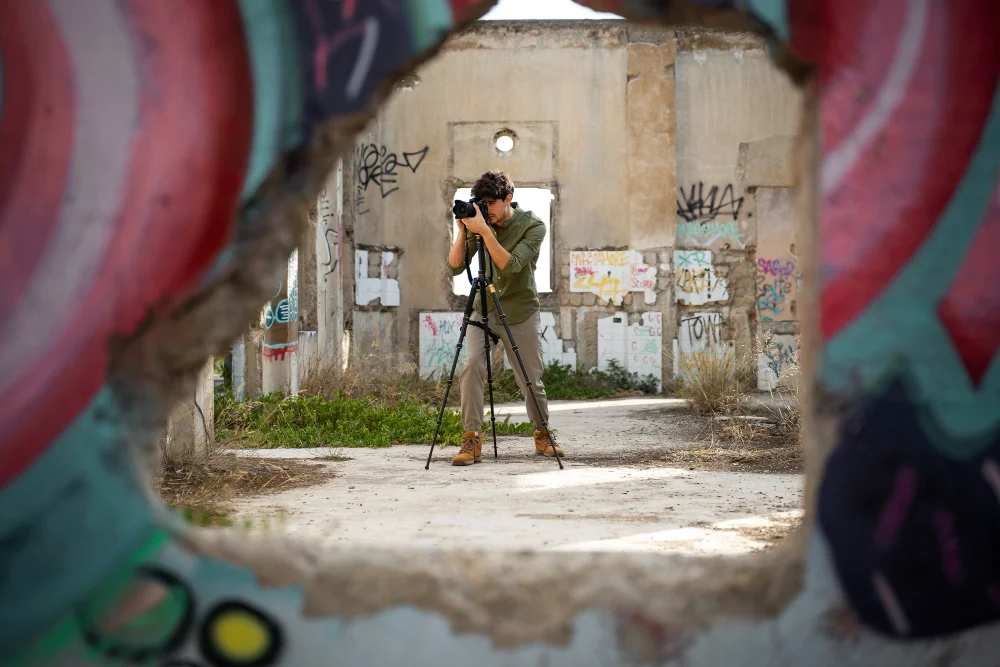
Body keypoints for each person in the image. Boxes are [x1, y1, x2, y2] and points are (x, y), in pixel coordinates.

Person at [447, 170, 565, 466]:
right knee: (472, 365)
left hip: (520, 310)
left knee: (529, 377)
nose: (486, 209)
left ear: (508, 199)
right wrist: (464, 230)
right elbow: (454, 267)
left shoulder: (533, 226)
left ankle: (542, 434)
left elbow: (509, 266)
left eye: (491, 203)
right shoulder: (480, 224)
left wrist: (485, 232)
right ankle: (470, 438)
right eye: (481, 203)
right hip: (483, 307)